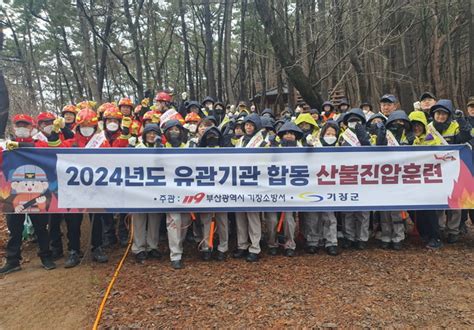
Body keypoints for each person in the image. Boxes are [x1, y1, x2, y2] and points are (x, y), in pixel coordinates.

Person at [0, 114, 56, 274]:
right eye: (19, 125)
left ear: (32, 128)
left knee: (41, 227)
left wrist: (20, 146)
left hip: (37, 192)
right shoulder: (6, 146)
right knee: (14, 228)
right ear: (14, 127)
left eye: (25, 125)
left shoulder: (39, 144)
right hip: (13, 193)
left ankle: (46, 256)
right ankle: (12, 260)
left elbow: (45, 152)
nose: (22, 128)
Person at [428, 99, 472, 243]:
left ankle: (453, 230)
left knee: (455, 201)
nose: (440, 116)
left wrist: (462, 122)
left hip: (454, 170)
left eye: (444, 114)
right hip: (435, 171)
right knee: (438, 200)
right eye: (438, 113)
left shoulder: (455, 127)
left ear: (449, 115)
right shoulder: (428, 128)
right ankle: (439, 228)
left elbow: (466, 138)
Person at [376, 110, 415, 250]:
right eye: (395, 122)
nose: (398, 124)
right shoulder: (385, 135)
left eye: (401, 122)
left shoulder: (409, 136)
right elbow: (377, 148)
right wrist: (381, 133)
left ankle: (398, 237)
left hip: (401, 177)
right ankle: (386, 236)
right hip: (384, 176)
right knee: (384, 211)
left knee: (397, 211)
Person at [301, 120, 339, 256]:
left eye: (333, 134)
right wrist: (308, 144)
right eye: (328, 133)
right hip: (313, 184)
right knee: (313, 215)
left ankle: (331, 242)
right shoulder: (315, 144)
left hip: (330, 185)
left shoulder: (340, 147)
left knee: (329, 215)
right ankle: (313, 241)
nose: (330, 136)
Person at [265, 122, 303, 257]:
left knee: (289, 219)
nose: (289, 135)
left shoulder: (302, 149)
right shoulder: (273, 148)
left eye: (292, 133)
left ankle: (290, 244)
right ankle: (272, 243)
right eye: (286, 133)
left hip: (291, 191)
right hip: (273, 189)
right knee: (272, 220)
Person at [233, 114, 266, 262]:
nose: (248, 127)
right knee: (240, 217)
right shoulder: (239, 140)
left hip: (255, 182)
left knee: (253, 217)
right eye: (246, 125)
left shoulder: (263, 142)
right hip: (240, 182)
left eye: (251, 125)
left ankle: (255, 247)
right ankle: (242, 245)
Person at [408, 110, 442, 249]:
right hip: (409, 180)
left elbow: (437, 152)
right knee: (412, 209)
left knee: (428, 209)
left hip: (427, 179)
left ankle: (435, 237)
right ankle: (424, 234)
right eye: (414, 125)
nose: (416, 127)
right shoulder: (406, 137)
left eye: (419, 124)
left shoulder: (431, 137)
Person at [338, 108, 371, 250]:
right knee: (348, 210)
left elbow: (374, 152)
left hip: (364, 176)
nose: (354, 123)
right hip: (346, 175)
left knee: (363, 211)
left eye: (357, 120)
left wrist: (364, 140)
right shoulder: (341, 137)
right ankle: (349, 236)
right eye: (351, 121)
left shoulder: (369, 135)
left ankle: (362, 238)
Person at [131, 124, 163, 262]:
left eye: (154, 133)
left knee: (154, 219)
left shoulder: (162, 148)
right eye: (149, 133)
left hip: (156, 188)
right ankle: (138, 248)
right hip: (139, 189)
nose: (151, 135)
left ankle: (152, 246)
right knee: (139, 219)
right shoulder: (136, 148)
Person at [197, 127, 229, 261]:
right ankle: (206, 246)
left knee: (222, 221)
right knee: (206, 220)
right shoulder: (199, 153)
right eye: (209, 135)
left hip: (222, 190)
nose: (212, 137)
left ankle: (223, 247)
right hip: (206, 190)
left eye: (214, 135)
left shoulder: (225, 152)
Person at [162, 119, 191, 269]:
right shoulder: (160, 148)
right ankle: (175, 255)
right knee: (174, 220)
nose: (174, 132)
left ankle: (179, 245)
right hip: (169, 192)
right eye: (171, 130)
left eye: (177, 130)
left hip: (186, 191)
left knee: (184, 221)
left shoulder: (188, 147)